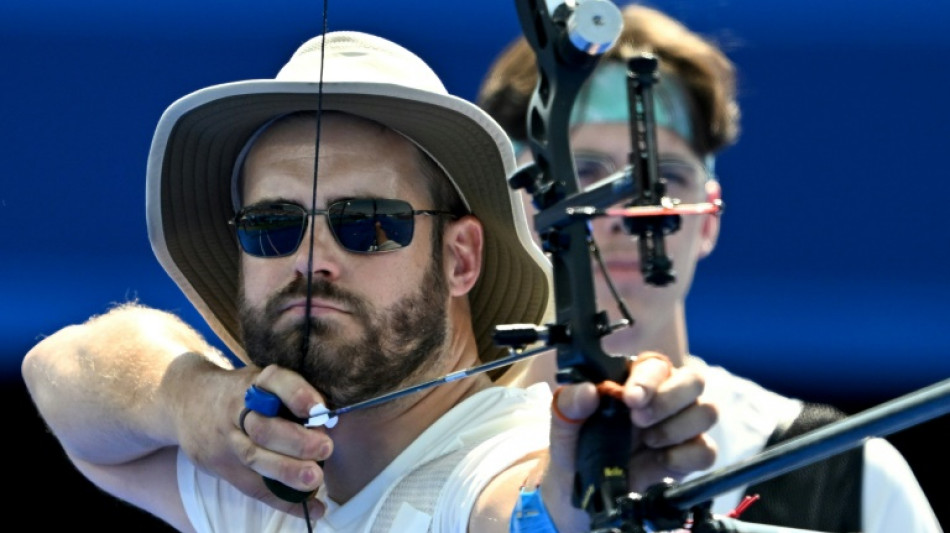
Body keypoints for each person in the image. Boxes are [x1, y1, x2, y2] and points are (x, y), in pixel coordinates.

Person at [21, 30, 717, 532]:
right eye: (273, 224)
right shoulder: (256, 471)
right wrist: (187, 396)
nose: (311, 257)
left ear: (461, 259)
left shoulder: (492, 456)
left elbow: (521, 501)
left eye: (368, 223)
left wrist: (574, 497)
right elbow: (56, 372)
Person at [478, 4, 942, 532]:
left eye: (664, 179)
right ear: (518, 205)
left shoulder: (845, 472)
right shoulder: (441, 452)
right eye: (582, 174)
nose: (629, 215)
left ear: (709, 218)